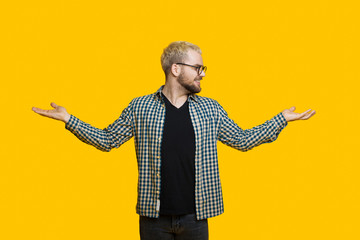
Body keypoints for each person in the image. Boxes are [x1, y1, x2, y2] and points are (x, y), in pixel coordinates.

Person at [32, 41, 316, 240]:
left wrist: (281, 119)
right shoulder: (140, 107)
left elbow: (242, 140)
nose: (203, 73)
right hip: (153, 219)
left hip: (196, 218)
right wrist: (69, 119)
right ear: (176, 69)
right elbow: (107, 139)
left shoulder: (210, 108)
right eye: (198, 67)